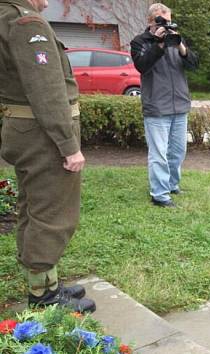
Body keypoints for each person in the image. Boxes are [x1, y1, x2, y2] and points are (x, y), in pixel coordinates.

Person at [0, 0, 95, 312]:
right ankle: (44, 298)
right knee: (51, 215)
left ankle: (46, 283)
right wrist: (68, 146)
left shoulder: (6, 17)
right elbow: (45, 89)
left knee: (33, 207)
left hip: (24, 128)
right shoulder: (29, 24)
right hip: (43, 134)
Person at [131, 3, 199, 208]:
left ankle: (171, 184)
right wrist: (159, 43)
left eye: (169, 21)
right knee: (159, 153)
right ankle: (159, 194)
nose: (167, 25)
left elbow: (194, 64)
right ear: (151, 21)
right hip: (156, 107)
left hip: (179, 105)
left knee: (178, 151)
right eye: (162, 21)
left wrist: (179, 45)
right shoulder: (139, 42)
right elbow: (142, 66)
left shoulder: (176, 39)